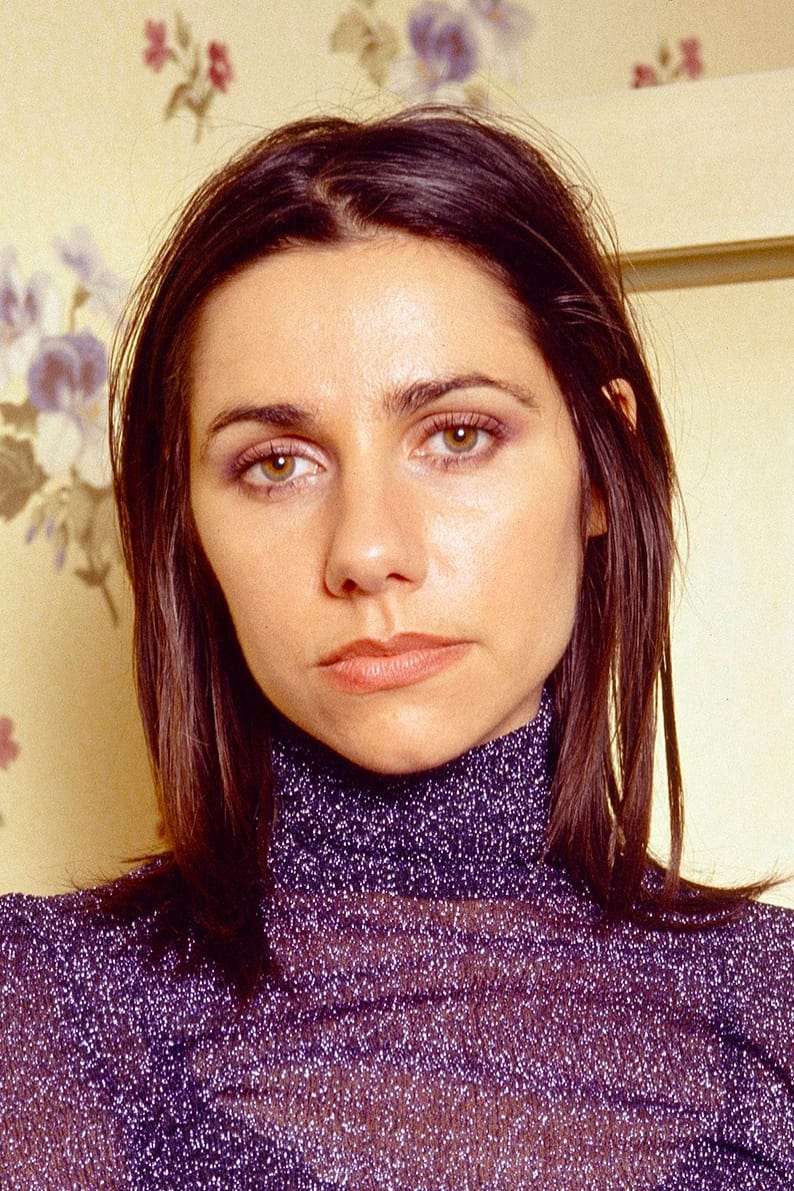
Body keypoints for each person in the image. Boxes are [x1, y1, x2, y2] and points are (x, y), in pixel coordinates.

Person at [0, 107, 791, 1188]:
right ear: (186, 526)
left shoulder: (773, 1012)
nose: (367, 552)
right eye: (276, 463)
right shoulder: (39, 1006)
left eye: (457, 436)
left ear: (602, 467)